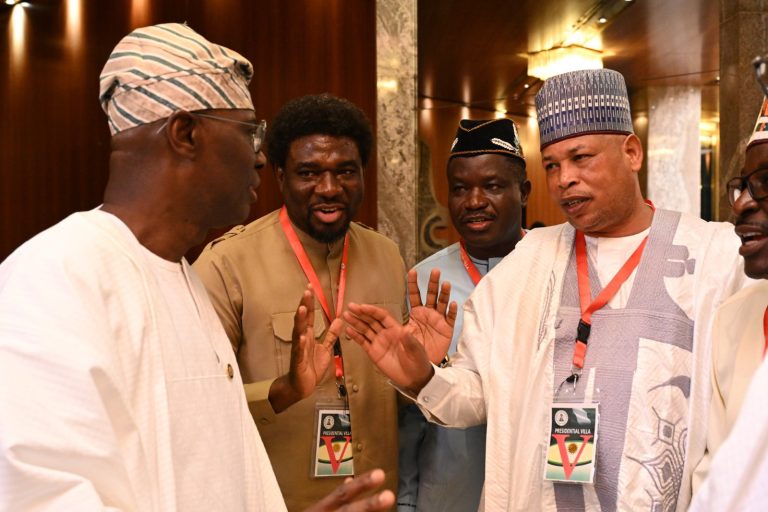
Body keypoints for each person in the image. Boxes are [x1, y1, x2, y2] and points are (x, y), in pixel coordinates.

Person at [0, 23, 394, 512]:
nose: (258, 159)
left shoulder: (180, 276)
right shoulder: (55, 279)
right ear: (185, 133)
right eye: (249, 132)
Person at [342, 69, 748, 511]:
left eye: (581, 158)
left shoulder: (715, 257)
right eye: (552, 164)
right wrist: (423, 375)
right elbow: (474, 397)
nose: (563, 179)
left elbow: (737, 424)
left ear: (632, 152)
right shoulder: (529, 261)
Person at [193, 94, 414, 510]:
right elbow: (195, 405)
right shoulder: (226, 265)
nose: (329, 189)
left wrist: (421, 376)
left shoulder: (387, 255)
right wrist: (283, 390)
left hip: (378, 498)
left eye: (345, 171)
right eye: (309, 173)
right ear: (280, 175)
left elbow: (398, 394)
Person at [397, 118, 530, 512]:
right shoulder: (424, 281)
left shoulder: (555, 272)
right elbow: (407, 419)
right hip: (448, 494)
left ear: (523, 192)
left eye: (492, 186)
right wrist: (406, 503)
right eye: (460, 189)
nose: (474, 201)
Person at [688, 98, 768, 510]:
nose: (741, 204)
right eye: (742, 185)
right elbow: (716, 469)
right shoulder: (735, 316)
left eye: (767, 182)